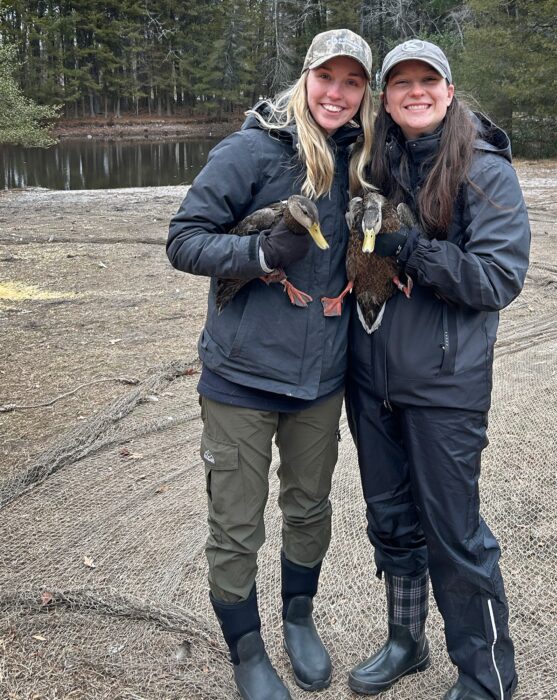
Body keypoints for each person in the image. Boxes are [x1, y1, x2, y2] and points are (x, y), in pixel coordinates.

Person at [166, 29, 373, 700]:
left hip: (321, 379)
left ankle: (299, 618)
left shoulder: (367, 160)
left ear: (365, 91)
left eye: (352, 82)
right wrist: (256, 257)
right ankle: (247, 650)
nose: (336, 93)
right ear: (305, 77)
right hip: (241, 379)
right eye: (326, 78)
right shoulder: (252, 149)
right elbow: (184, 240)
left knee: (310, 508)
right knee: (236, 524)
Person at [344, 40, 530, 700]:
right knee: (390, 520)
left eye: (428, 81)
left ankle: (485, 677)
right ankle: (406, 640)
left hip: (446, 383)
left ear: (449, 91)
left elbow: (499, 278)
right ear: (386, 98)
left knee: (454, 533)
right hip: (372, 381)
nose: (415, 92)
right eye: (401, 84)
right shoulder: (377, 163)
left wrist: (415, 252)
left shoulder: (484, 170)